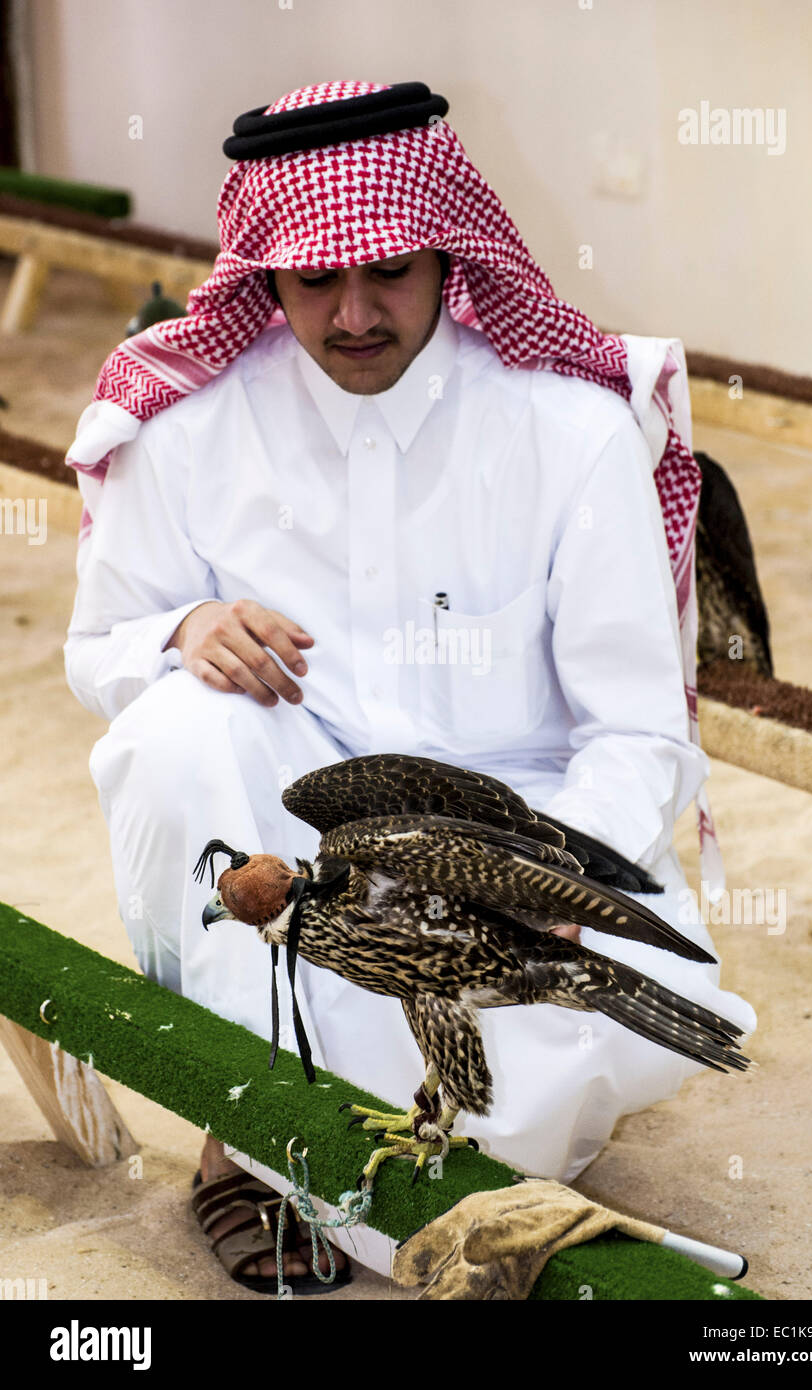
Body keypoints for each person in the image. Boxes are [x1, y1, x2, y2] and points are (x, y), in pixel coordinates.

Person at [64, 80, 755, 1294]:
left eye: (387, 269)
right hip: (302, 845)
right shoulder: (190, 430)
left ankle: (414, 1145)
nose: (353, 310)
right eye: (314, 279)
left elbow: (634, 725)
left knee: (522, 1078)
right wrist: (179, 628)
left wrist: (563, 876)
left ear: (447, 248)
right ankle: (247, 1134)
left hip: (511, 854)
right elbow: (96, 650)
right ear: (263, 275)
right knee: (178, 729)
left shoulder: (563, 433)